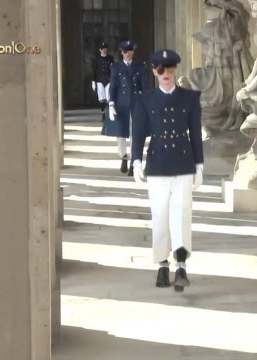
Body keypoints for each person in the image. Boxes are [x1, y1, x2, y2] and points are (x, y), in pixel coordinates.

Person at [131, 49, 204, 292]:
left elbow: (195, 133)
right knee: (160, 215)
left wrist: (199, 166)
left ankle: (181, 264)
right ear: (154, 71)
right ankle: (162, 264)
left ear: (175, 70)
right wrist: (136, 161)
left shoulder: (190, 98)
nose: (165, 74)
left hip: (183, 163)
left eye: (169, 69)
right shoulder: (146, 99)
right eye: (160, 69)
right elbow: (139, 133)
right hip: (158, 164)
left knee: (181, 215)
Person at [103, 40, 148, 176]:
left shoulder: (139, 66)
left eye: (130, 51)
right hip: (121, 104)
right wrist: (111, 104)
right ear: (122, 53)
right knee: (121, 134)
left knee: (135, 133)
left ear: (133, 52)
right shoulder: (116, 67)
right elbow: (113, 87)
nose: (127, 54)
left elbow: (144, 85)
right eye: (125, 51)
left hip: (136, 103)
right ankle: (123, 157)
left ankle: (133, 163)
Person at [91, 41, 114, 122]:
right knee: (101, 98)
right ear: (100, 50)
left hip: (108, 79)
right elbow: (94, 70)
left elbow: (112, 69)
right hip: (99, 80)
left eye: (105, 49)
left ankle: (108, 113)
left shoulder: (110, 58)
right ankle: (103, 113)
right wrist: (93, 81)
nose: (104, 50)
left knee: (109, 97)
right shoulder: (96, 59)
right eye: (103, 49)